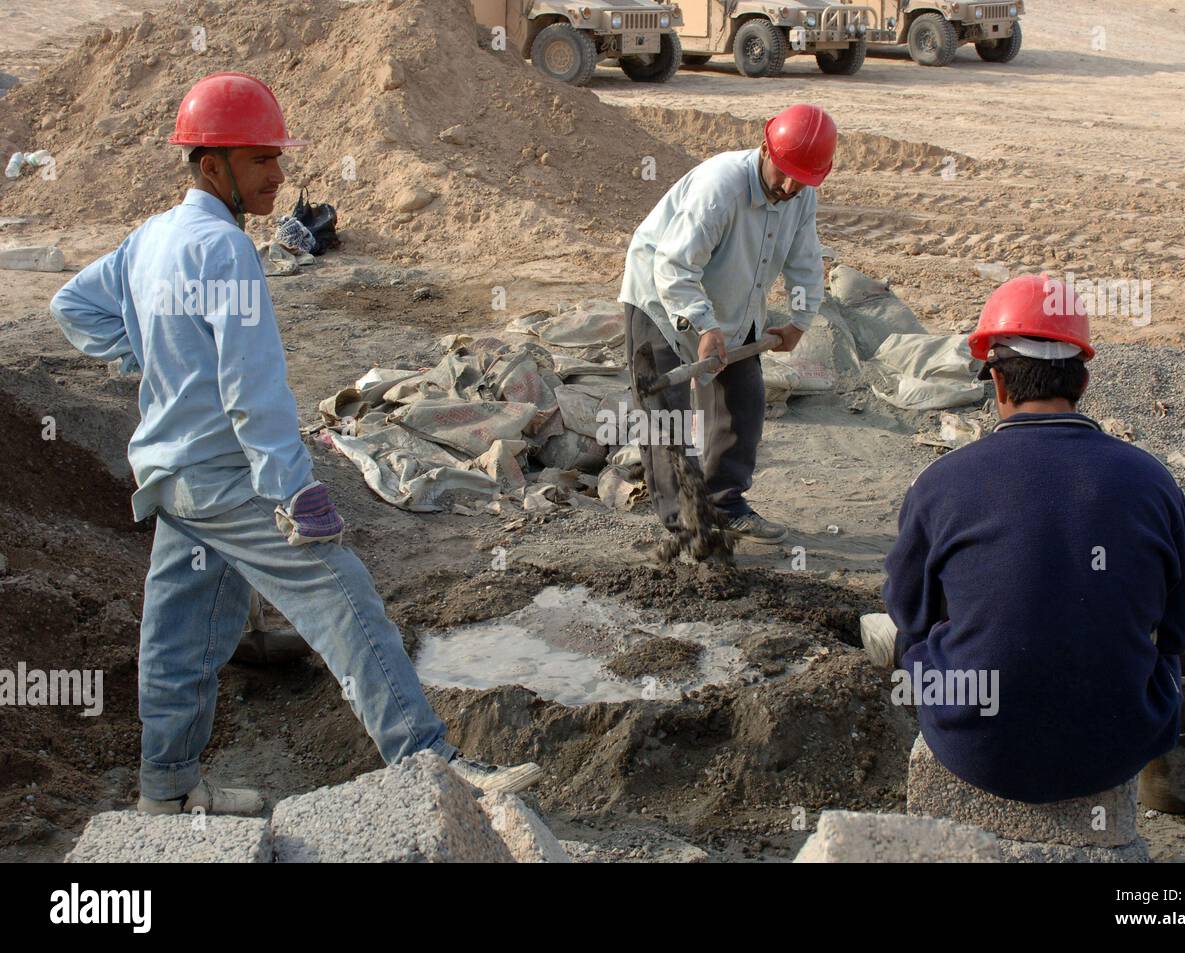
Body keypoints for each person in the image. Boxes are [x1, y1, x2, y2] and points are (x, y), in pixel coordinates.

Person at [49, 72, 540, 815]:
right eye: (259, 161)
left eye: (278, 158)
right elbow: (254, 389)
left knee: (180, 632)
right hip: (226, 476)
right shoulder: (226, 250)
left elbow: (72, 304)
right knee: (345, 601)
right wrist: (293, 490)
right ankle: (433, 764)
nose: (278, 175)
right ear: (213, 166)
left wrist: (146, 353)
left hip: (171, 475)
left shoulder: (152, 237)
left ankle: (169, 788)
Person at [877, 273, 1185, 803]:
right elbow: (1178, 629)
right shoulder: (1152, 481)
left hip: (978, 750)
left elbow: (909, 613)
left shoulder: (942, 484)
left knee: (914, 641)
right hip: (1121, 744)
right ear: (1083, 383)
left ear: (998, 384)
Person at [619, 103, 837, 545]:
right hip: (660, 298)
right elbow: (674, 265)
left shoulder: (801, 192)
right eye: (785, 173)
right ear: (764, 148)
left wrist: (800, 318)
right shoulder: (720, 187)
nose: (792, 186)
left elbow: (805, 261)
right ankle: (685, 523)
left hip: (733, 302)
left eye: (805, 179)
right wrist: (703, 326)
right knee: (667, 414)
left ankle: (724, 502)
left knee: (744, 400)